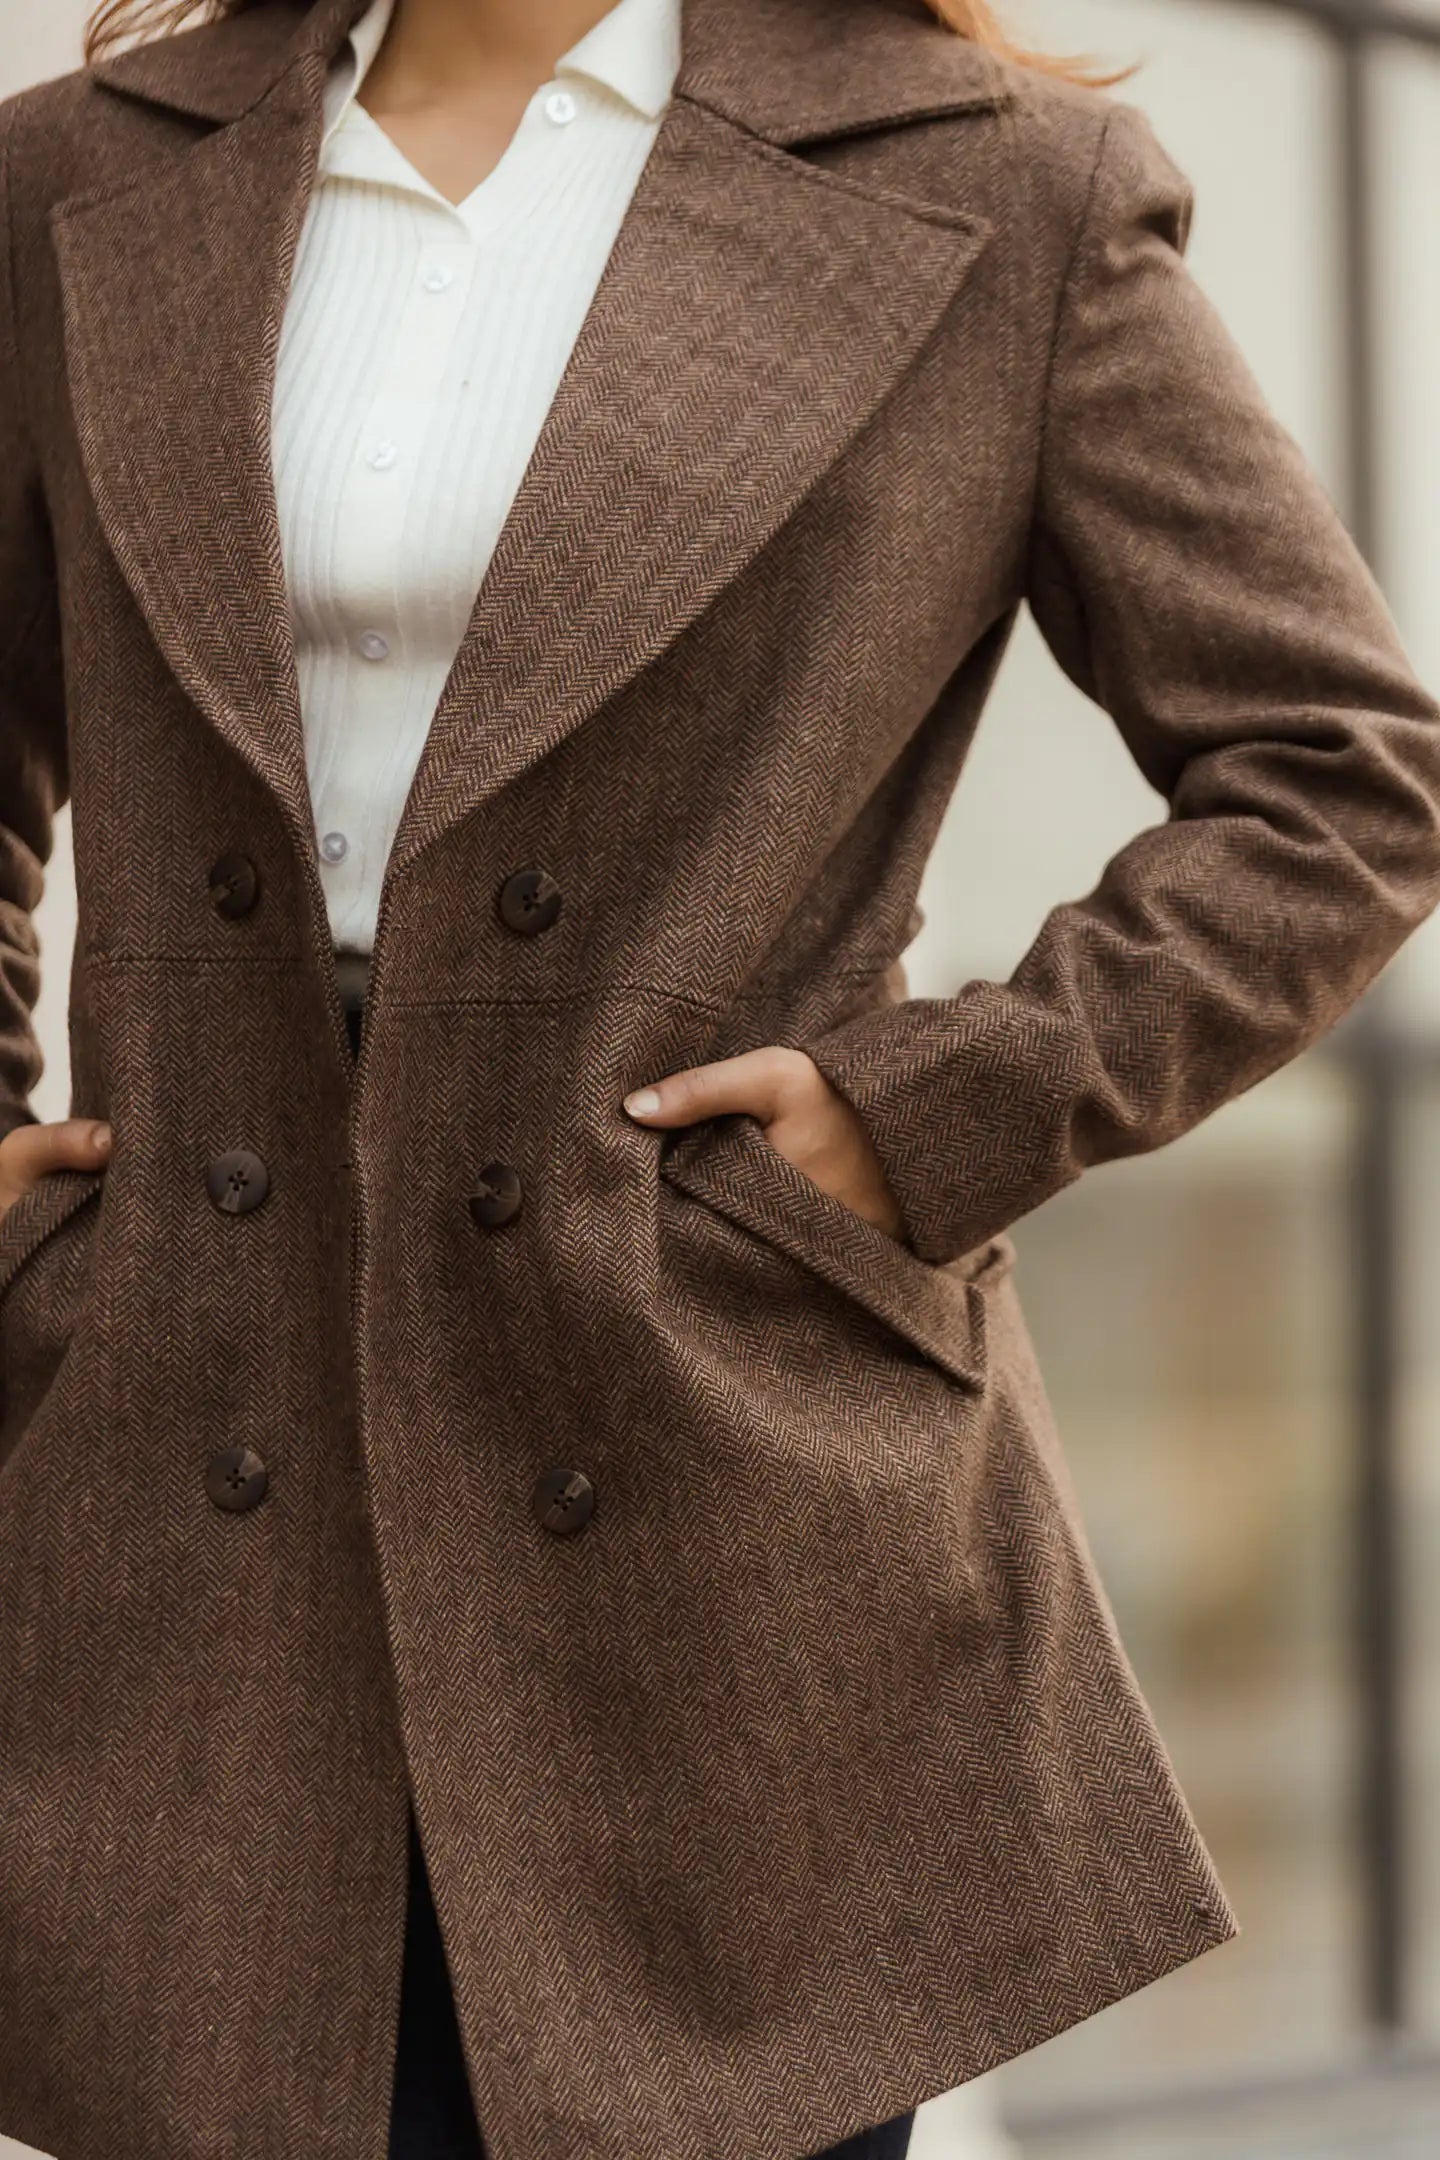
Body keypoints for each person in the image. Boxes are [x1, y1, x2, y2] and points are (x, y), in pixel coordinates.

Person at [2, 0, 1438, 2155]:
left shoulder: (1000, 187)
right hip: (190, 1397)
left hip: (703, 1420)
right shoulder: (74, 176)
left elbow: (1338, 778)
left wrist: (930, 1114)